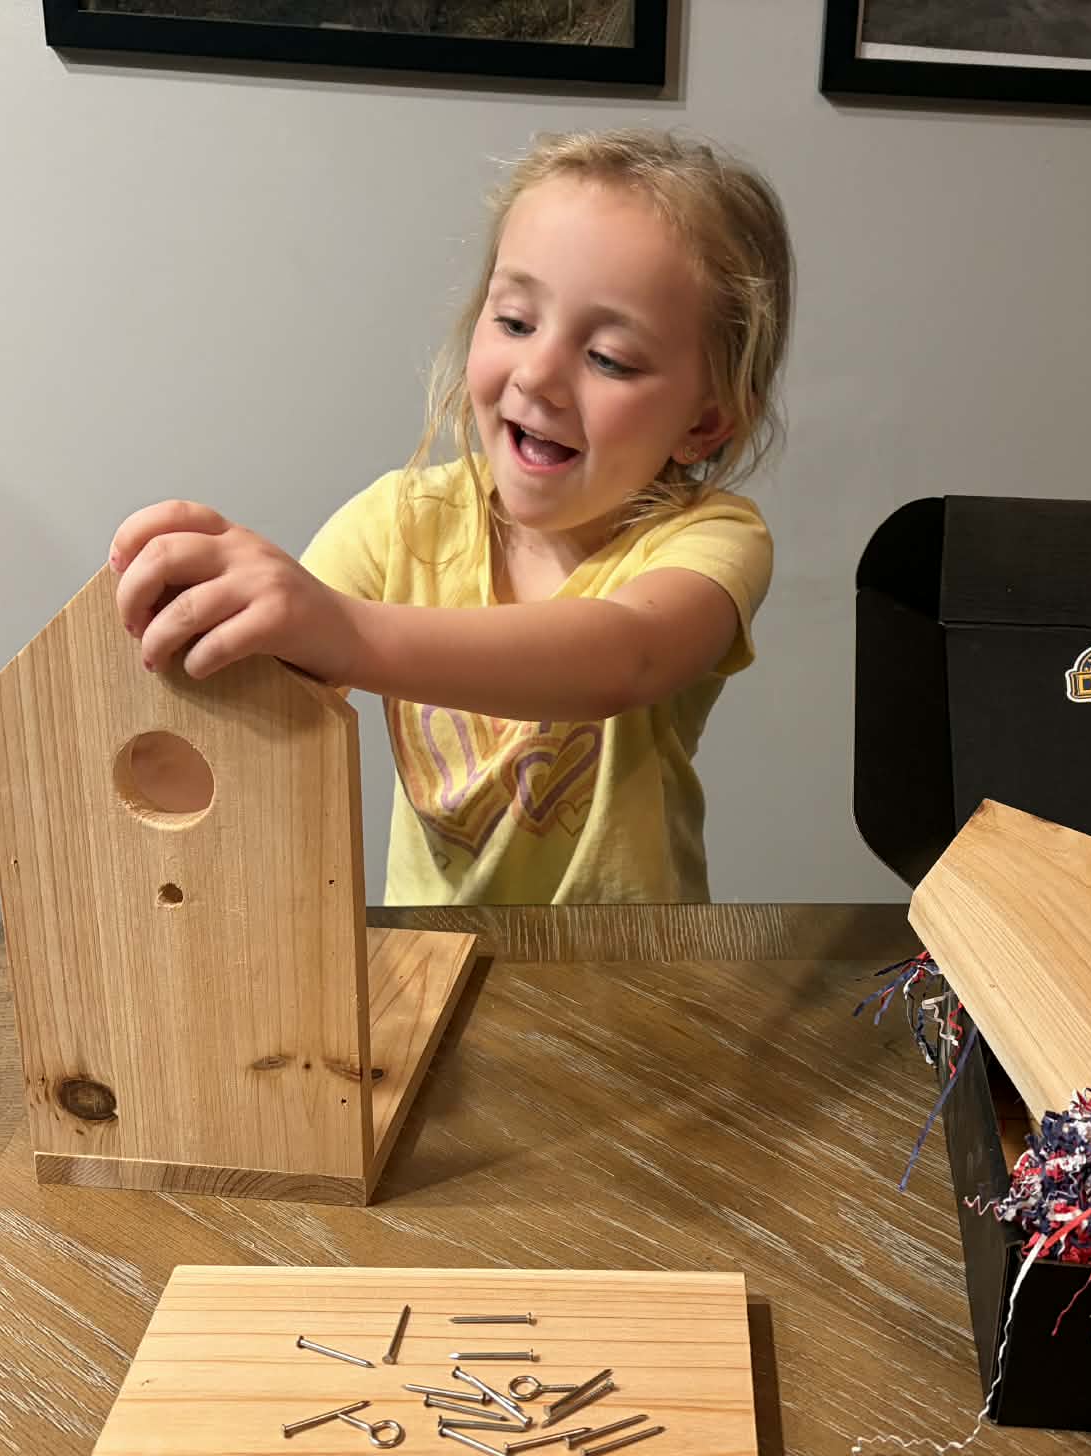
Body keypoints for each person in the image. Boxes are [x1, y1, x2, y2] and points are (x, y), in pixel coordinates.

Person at [108, 129, 793, 905]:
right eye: (514, 322)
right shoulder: (398, 523)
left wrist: (346, 631)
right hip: (432, 967)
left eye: (609, 358)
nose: (538, 375)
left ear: (706, 422)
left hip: (632, 975)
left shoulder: (713, 538)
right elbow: (255, 717)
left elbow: (626, 656)